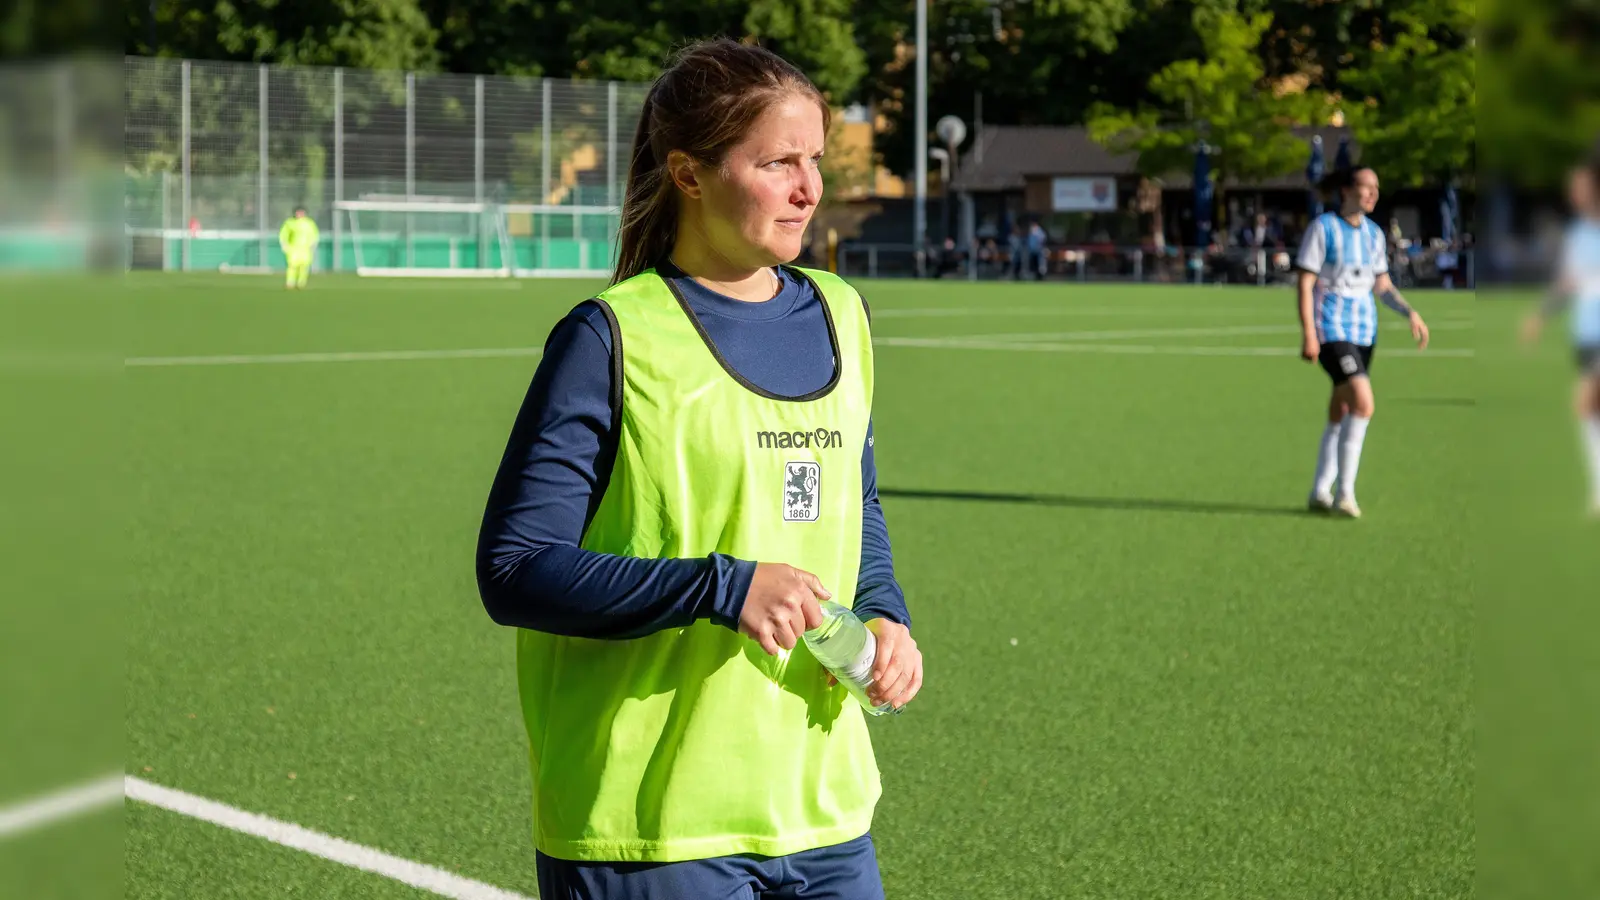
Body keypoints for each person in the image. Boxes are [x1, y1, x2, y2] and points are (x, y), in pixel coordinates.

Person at [475, 39, 922, 899]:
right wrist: (724, 587)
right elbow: (515, 570)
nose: (810, 189)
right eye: (778, 162)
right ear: (688, 173)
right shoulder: (610, 337)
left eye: (816, 160)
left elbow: (851, 502)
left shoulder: (842, 314)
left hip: (825, 811)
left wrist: (884, 613)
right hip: (654, 827)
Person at [1295, 166, 1431, 518]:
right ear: (1346, 190)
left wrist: (1409, 312)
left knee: (1340, 408)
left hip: (1363, 332)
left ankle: (1319, 490)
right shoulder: (1323, 228)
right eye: (1366, 187)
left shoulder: (1373, 235)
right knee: (1363, 402)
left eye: (1376, 188)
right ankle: (1345, 494)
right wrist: (1309, 332)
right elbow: (1306, 282)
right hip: (1331, 330)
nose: (1373, 193)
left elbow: (1381, 285)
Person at [1522, 162, 1600, 517]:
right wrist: (1541, 316)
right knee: (1589, 410)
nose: (1575, 194)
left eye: (1581, 187)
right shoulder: (1579, 234)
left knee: (1585, 402)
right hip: (1585, 333)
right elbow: (1569, 282)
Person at [278, 207, 319, 289]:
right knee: (292, 265)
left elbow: (314, 235)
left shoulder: (310, 223)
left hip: (306, 249)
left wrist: (313, 244)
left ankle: (301, 283)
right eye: (298, 212)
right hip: (293, 248)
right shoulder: (289, 223)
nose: (299, 214)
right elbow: (283, 234)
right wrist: (284, 245)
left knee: (304, 266)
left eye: (301, 212)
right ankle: (290, 283)